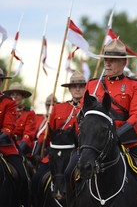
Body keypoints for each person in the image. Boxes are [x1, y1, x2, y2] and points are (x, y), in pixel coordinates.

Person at [85, 39, 137, 207]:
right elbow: (85, 115)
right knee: (69, 170)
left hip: (128, 139)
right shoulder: (93, 85)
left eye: (113, 60)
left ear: (124, 62)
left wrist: (117, 135)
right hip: (97, 140)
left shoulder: (135, 85)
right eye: (106, 59)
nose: (107, 63)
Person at [31, 71, 86, 206]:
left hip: (79, 152)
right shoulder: (59, 107)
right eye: (74, 86)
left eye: (81, 86)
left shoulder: (89, 109)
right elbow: (48, 132)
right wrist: (38, 150)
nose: (77, 89)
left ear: (86, 88)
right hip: (57, 154)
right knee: (35, 180)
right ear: (69, 89)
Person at [0, 69, 30, 206]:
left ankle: (22, 203)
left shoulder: (8, 102)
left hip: (4, 146)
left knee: (22, 175)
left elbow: (8, 128)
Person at [3, 82, 37, 156]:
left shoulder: (29, 113)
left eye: (18, 94)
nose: (15, 97)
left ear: (22, 97)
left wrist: (19, 149)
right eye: (12, 94)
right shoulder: (3, 110)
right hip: (3, 142)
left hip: (20, 145)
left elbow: (28, 135)